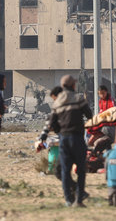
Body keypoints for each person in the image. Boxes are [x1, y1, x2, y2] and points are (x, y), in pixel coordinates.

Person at [40, 75, 93, 207]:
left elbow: (50, 123)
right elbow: (89, 115)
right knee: (81, 170)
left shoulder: (57, 102)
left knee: (65, 170)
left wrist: (43, 138)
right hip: (77, 138)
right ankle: (79, 200)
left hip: (64, 139)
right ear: (73, 85)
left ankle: (68, 200)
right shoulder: (78, 98)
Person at [36, 86, 78, 201]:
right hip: (72, 142)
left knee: (60, 171)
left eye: (54, 98)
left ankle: (70, 197)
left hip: (68, 142)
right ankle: (75, 191)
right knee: (63, 170)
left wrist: (43, 137)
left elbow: (50, 124)